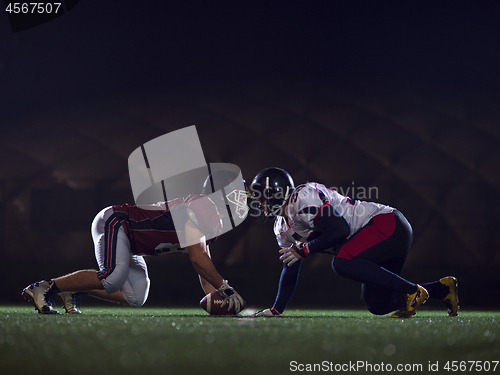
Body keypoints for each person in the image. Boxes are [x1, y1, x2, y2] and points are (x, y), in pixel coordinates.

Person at [22, 173, 246, 315]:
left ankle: (71, 290)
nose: (242, 201)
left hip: (130, 240)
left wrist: (217, 298)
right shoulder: (202, 207)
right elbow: (197, 259)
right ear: (220, 195)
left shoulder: (213, 221)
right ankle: (43, 287)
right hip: (117, 220)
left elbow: (203, 264)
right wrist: (226, 288)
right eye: (236, 194)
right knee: (112, 277)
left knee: (136, 296)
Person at [249, 167, 459, 318]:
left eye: (262, 198)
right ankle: (441, 290)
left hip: (387, 224)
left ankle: (412, 290)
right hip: (376, 236)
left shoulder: (302, 198)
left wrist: (306, 249)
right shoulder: (281, 227)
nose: (260, 204)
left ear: (277, 193)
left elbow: (340, 229)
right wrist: (277, 309)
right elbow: (290, 266)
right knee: (377, 304)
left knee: (342, 262)